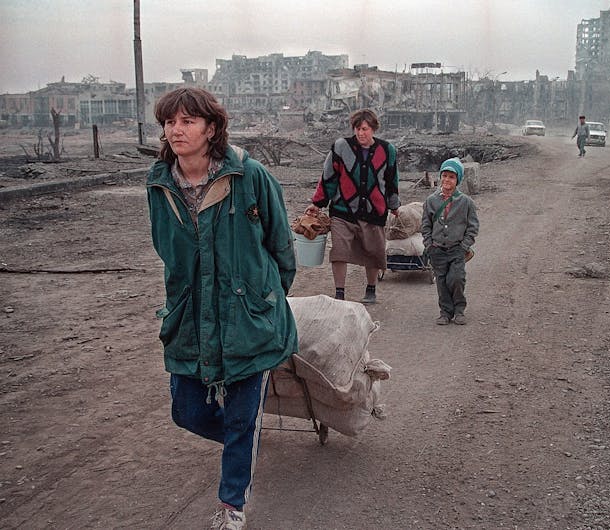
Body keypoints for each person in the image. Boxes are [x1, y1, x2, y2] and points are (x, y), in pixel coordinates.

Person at [146, 87, 298, 530]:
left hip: (249, 317)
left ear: (211, 128)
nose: (177, 129)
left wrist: (263, 300)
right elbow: (167, 252)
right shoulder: (160, 185)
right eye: (170, 122)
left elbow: (281, 247)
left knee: (241, 413)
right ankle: (243, 438)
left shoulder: (250, 176)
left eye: (188, 121)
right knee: (187, 411)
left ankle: (232, 506)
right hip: (190, 315)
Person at [305, 109, 400, 303]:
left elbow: (391, 181)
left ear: (373, 129)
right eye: (357, 129)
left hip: (374, 211)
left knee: (374, 252)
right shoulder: (341, 147)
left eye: (364, 129)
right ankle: (339, 293)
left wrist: (394, 205)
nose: (360, 133)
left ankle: (371, 290)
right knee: (339, 251)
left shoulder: (387, 150)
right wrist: (318, 203)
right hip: (343, 210)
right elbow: (328, 178)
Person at [421, 158, 479, 326]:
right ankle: (445, 312)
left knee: (456, 278)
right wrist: (429, 245)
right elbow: (425, 225)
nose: (447, 180)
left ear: (457, 180)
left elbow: (473, 227)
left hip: (457, 249)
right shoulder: (431, 201)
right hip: (437, 249)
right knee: (441, 281)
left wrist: (464, 246)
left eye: (451, 177)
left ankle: (459, 309)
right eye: (444, 176)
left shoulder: (466, 202)